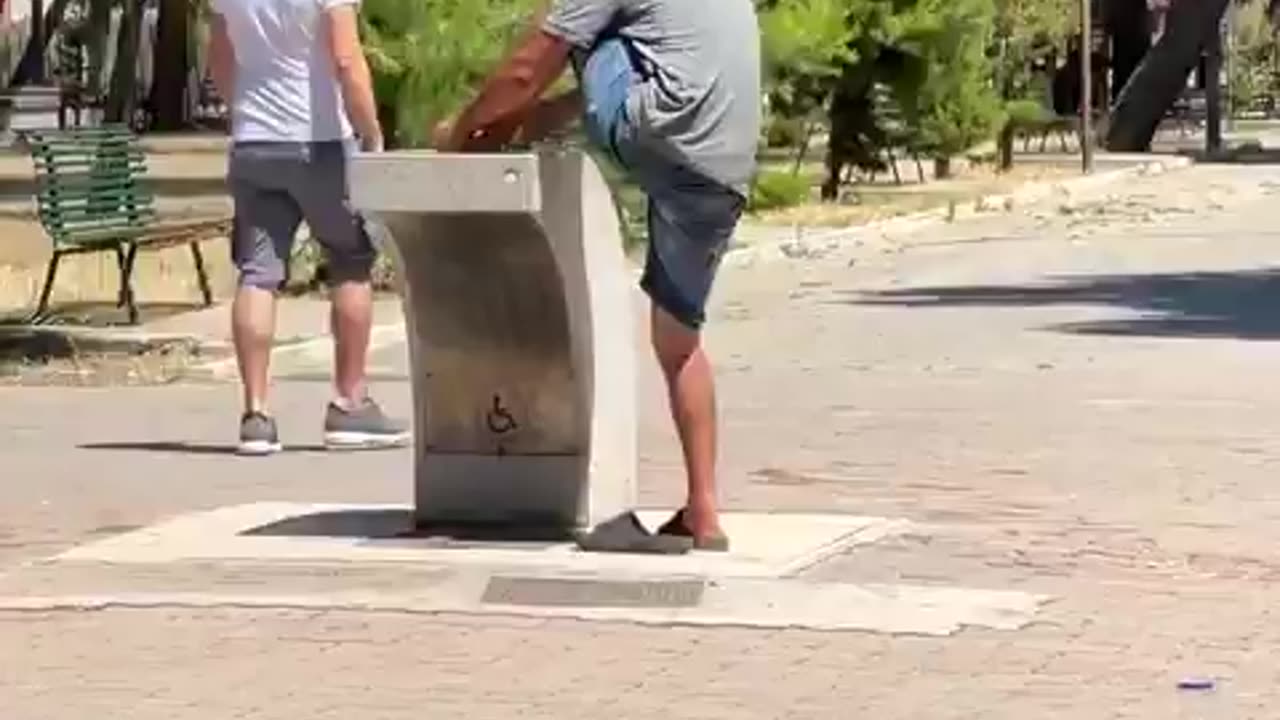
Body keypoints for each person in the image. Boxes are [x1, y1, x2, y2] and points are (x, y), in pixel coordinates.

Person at [434, 0, 761, 550]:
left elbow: (528, 68)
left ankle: (499, 126)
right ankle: (703, 512)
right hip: (722, 171)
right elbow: (602, 92)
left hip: (657, 131)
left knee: (574, 30)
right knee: (678, 340)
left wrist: (463, 134)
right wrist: (523, 120)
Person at [207, 0, 408, 455]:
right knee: (350, 259)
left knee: (258, 273)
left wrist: (244, 111)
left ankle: (256, 415)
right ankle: (349, 404)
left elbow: (218, 57)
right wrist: (371, 132)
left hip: (254, 142)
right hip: (321, 142)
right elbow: (346, 59)